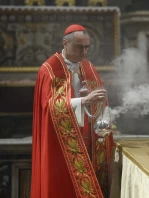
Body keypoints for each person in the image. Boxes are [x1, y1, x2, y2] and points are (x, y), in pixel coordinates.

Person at [31, 24, 113, 198]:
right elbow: (50, 107)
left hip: (88, 140)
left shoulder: (88, 67)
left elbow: (99, 101)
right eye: (79, 47)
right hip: (60, 143)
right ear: (65, 43)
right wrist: (83, 101)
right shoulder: (49, 70)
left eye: (87, 47)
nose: (84, 52)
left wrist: (94, 99)